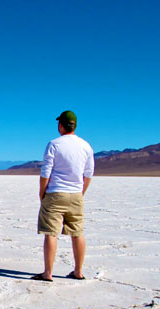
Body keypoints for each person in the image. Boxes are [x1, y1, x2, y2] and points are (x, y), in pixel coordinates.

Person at [31, 110, 94, 282]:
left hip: (55, 194)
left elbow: (46, 172)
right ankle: (78, 271)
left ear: (60, 125)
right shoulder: (86, 146)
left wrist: (42, 192)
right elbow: (88, 174)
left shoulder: (54, 144)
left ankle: (48, 273)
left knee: (51, 233)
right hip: (76, 195)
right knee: (77, 232)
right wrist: (81, 192)